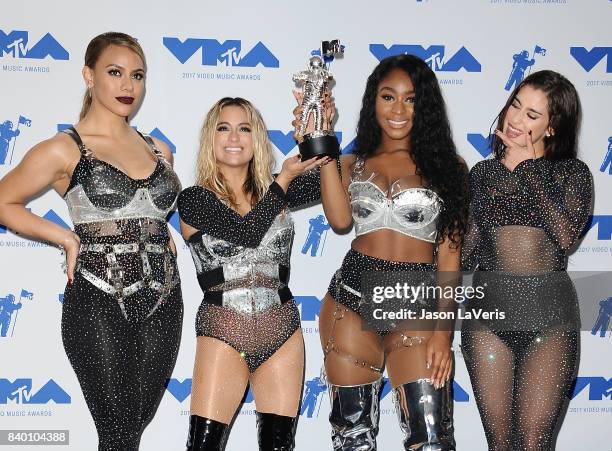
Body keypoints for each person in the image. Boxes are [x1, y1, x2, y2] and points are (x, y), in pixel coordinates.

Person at [0, 32, 183, 450]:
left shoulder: (159, 150)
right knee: (117, 433)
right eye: (114, 73)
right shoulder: (65, 149)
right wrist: (65, 238)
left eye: (137, 76)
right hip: (96, 301)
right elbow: (4, 200)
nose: (127, 86)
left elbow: (152, 210)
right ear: (88, 76)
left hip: (164, 300)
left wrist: (161, 226)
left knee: (131, 432)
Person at [299, 54, 469, 450]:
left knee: (432, 439)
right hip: (350, 304)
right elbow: (340, 221)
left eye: (410, 100)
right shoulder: (350, 162)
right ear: (372, 102)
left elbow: (448, 257)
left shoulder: (449, 167)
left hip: (416, 307)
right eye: (387, 97)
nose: (398, 110)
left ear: (424, 107)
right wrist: (322, 142)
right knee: (352, 440)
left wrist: (443, 334)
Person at [177, 97, 335, 450]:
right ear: (210, 138)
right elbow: (247, 234)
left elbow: (334, 175)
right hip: (223, 329)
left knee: (279, 446)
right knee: (203, 446)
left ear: (257, 138)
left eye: (244, 128)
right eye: (224, 128)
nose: (234, 137)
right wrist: (284, 180)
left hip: (282, 330)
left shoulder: (277, 188)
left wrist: (318, 131)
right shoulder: (194, 199)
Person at [461, 70, 593, 450]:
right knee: (500, 444)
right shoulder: (483, 174)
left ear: (553, 128)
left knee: (533, 442)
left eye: (533, 115)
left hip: (549, 319)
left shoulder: (572, 173)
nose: (516, 119)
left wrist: (527, 168)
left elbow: (565, 236)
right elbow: (467, 253)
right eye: (516, 106)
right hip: (488, 318)